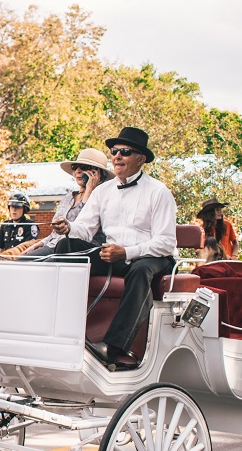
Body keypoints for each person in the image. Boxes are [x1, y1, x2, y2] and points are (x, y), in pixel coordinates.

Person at [51, 127, 176, 366]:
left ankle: (113, 346)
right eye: (114, 151)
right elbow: (85, 229)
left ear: (141, 159)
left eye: (125, 152)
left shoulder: (159, 192)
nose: (117, 156)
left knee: (140, 271)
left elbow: (166, 242)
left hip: (152, 255)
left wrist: (128, 252)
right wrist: (68, 226)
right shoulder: (104, 191)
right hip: (115, 255)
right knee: (65, 248)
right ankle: (62, 328)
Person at [22, 148, 113, 257]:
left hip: (77, 251)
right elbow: (55, 232)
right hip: (52, 246)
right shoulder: (69, 197)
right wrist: (40, 243)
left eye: (84, 167)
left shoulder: (103, 199)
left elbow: (80, 227)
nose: (78, 171)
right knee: (20, 262)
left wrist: (89, 190)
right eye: (75, 167)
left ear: (98, 174)